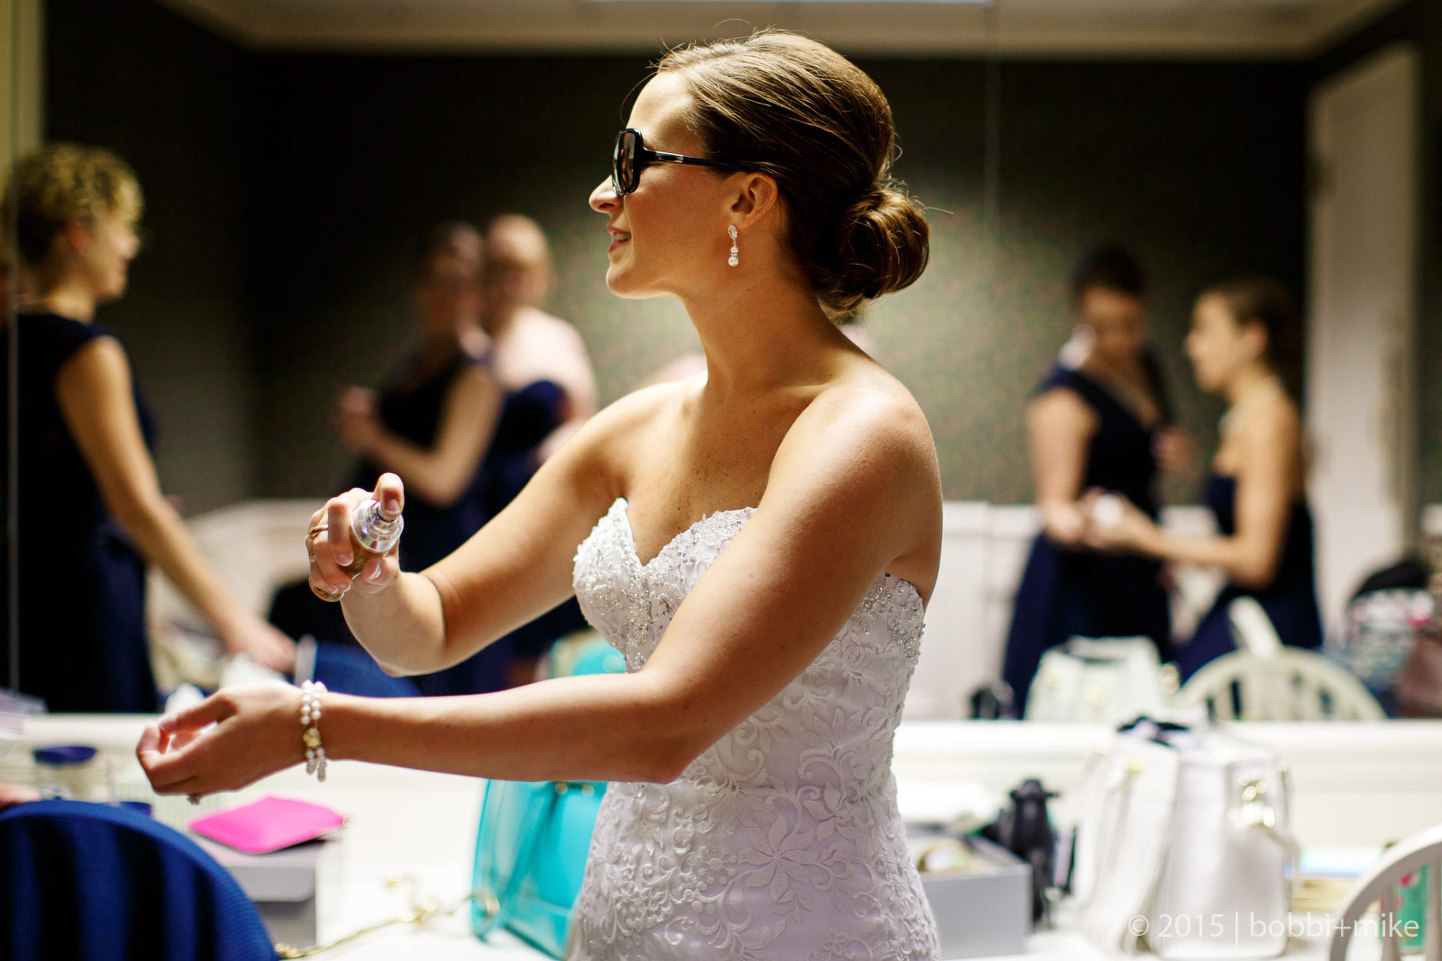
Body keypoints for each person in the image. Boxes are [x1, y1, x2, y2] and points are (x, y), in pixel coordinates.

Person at [139, 30, 941, 959]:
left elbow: (666, 723)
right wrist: (373, 572)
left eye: (634, 160)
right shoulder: (636, 431)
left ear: (747, 197)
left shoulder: (863, 434)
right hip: (618, 925)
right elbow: (431, 627)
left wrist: (317, 725)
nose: (603, 193)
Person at [0, 144, 294, 713]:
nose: (131, 246)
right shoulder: (88, 353)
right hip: (81, 608)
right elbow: (137, 508)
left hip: (25, 597)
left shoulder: (13, 340)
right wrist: (236, 623)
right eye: (124, 229)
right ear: (79, 234)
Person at [1085, 277, 1322, 678]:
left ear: (1251, 338)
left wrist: (1149, 539)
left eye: (1206, 331)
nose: (1192, 346)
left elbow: (1257, 560)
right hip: (1242, 607)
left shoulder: (1269, 423)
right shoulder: (1245, 419)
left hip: (1267, 626)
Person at [1001, 245, 1185, 713]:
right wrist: (1080, 521)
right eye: (1102, 327)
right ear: (1081, 317)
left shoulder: (1148, 369)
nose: (1118, 339)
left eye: (1129, 324)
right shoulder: (1064, 396)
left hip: (1138, 570)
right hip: (1085, 580)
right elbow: (1055, 505)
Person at [469, 214, 597, 688]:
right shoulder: (469, 341)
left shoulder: (557, 338)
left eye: (523, 270)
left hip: (543, 494)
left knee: (541, 631)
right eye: (501, 269)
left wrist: (558, 449)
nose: (512, 283)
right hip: (480, 502)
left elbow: (583, 419)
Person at [337, 222, 500, 572]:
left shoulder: (476, 374)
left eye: (457, 284)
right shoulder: (421, 362)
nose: (444, 295)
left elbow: (444, 481)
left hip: (431, 549)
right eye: (434, 280)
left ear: (478, 294)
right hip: (388, 536)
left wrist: (372, 438)